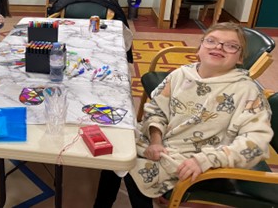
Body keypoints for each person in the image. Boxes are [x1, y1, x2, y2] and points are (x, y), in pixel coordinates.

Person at [94, 22, 273, 208]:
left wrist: (205, 160)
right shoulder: (181, 74)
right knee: (116, 150)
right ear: (200, 48)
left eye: (231, 46)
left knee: (133, 172)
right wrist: (156, 141)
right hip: (162, 144)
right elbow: (156, 110)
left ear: (240, 58)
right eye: (212, 41)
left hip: (200, 160)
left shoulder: (246, 91)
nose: (219, 47)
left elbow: (256, 142)